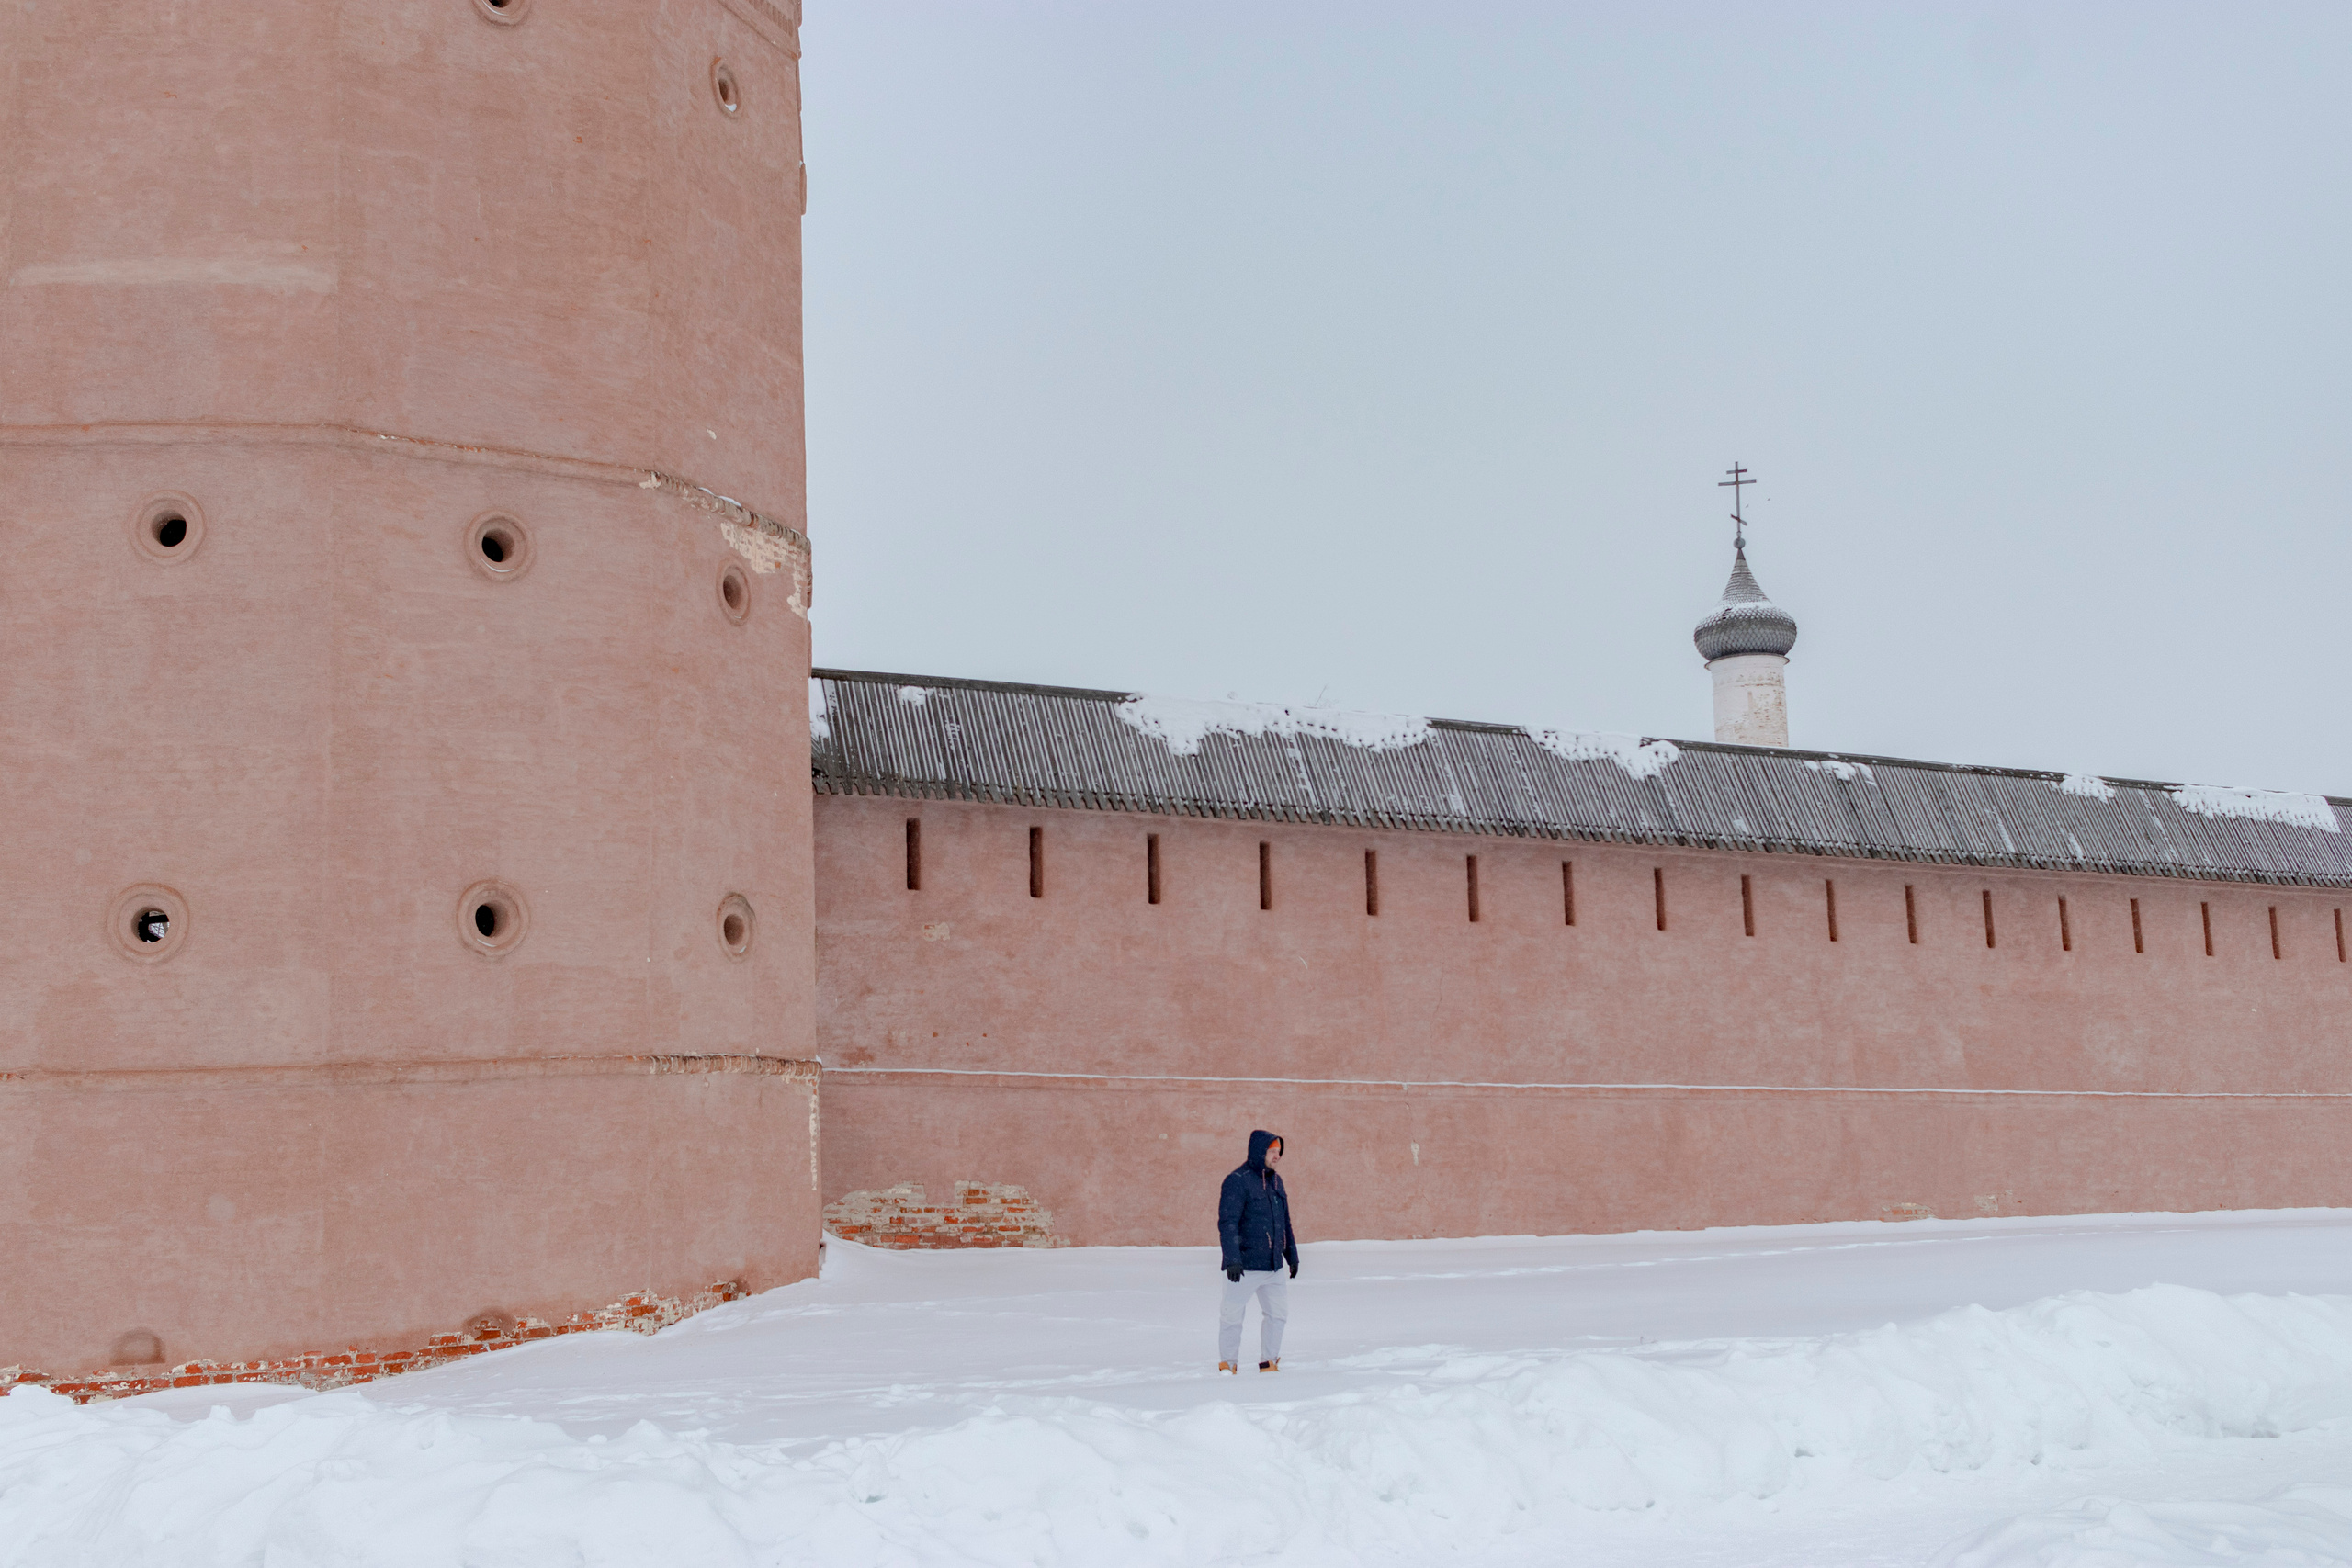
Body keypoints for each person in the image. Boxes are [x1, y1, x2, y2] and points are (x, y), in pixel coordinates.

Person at [1216, 1129, 1298, 1372]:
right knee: (1232, 1317)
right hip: (1243, 1266)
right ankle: (1228, 1365)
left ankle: (1268, 1361)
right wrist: (1232, 1258)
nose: (1277, 1156)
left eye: (1278, 1152)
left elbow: (1284, 1222)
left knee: (1278, 1315)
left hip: (1272, 1266)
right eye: (1272, 1151)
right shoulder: (1237, 1180)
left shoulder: (1276, 1181)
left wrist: (1291, 1256)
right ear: (1259, 1151)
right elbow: (1228, 1221)